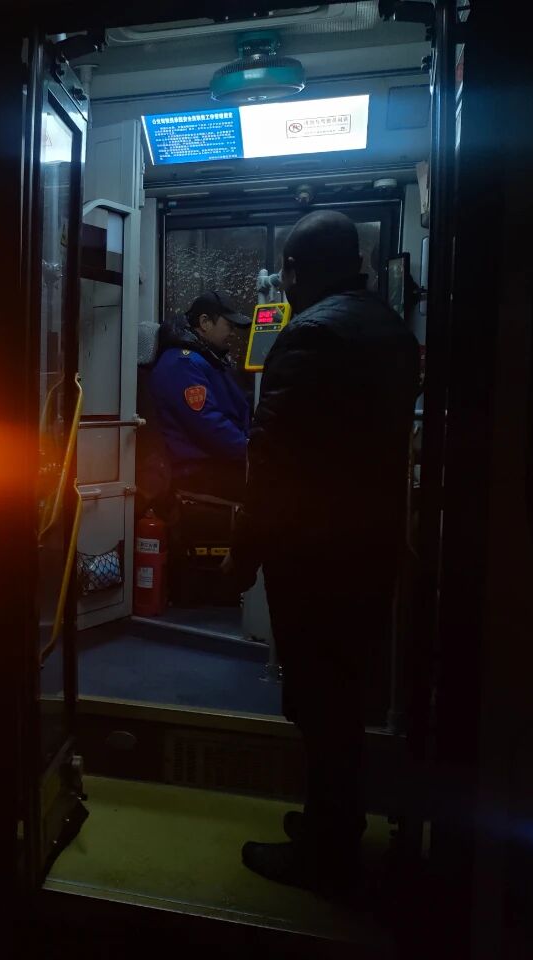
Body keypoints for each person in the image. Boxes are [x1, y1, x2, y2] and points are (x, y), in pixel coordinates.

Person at [227, 211, 420, 896]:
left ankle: (327, 851)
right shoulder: (390, 329)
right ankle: (333, 823)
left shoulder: (309, 335)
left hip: (314, 555)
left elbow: (273, 463)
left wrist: (243, 555)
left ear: (296, 270)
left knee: (319, 702)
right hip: (369, 545)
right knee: (344, 697)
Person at [148, 291, 252, 503]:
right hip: (198, 470)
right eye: (229, 325)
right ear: (205, 322)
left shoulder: (207, 358)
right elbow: (206, 422)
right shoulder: (183, 363)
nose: (233, 333)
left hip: (218, 463)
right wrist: (249, 451)